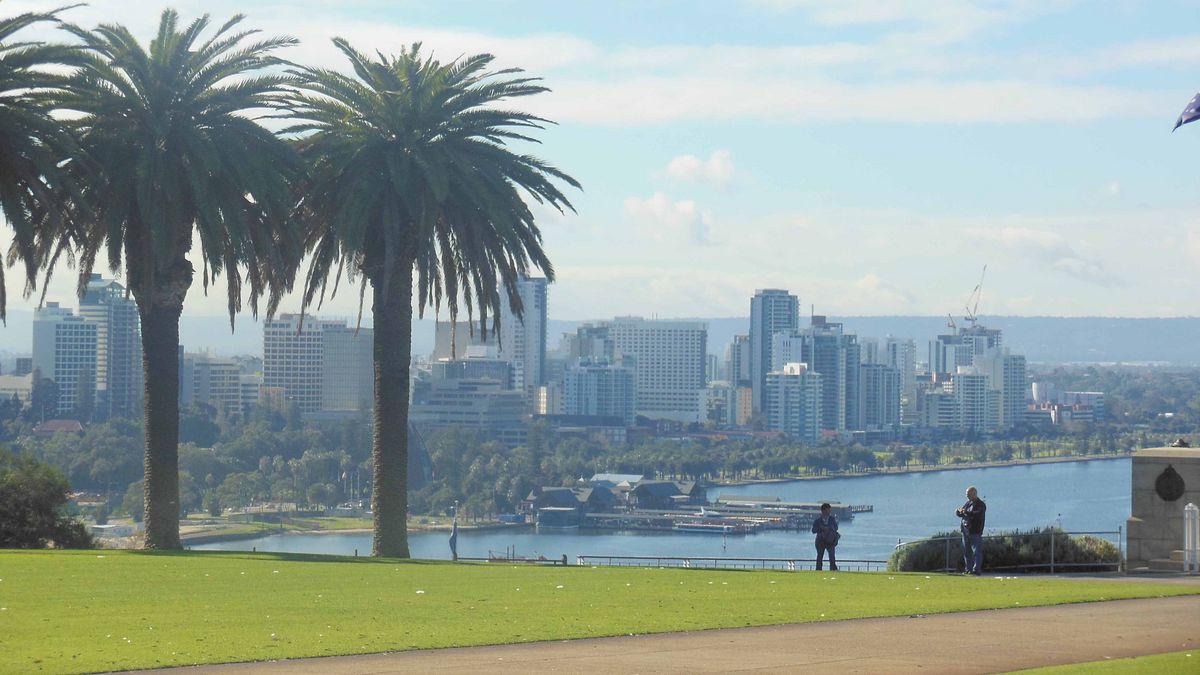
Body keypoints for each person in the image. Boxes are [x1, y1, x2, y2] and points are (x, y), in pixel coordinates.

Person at [955, 486, 986, 575]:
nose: (967, 496)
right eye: (966, 495)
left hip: (975, 531)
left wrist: (966, 512)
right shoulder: (968, 503)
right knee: (967, 552)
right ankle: (968, 569)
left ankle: (976, 569)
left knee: (976, 552)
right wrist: (958, 512)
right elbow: (963, 513)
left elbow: (976, 514)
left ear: (974, 494)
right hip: (966, 531)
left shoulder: (981, 505)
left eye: (969, 494)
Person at [811, 502, 839, 571]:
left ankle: (833, 569)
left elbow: (836, 527)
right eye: (828, 509)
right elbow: (813, 530)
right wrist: (821, 528)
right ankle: (818, 569)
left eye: (830, 509)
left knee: (832, 555)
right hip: (820, 541)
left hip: (830, 540)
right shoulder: (817, 521)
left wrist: (830, 528)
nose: (829, 511)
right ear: (823, 510)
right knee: (820, 556)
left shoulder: (832, 519)